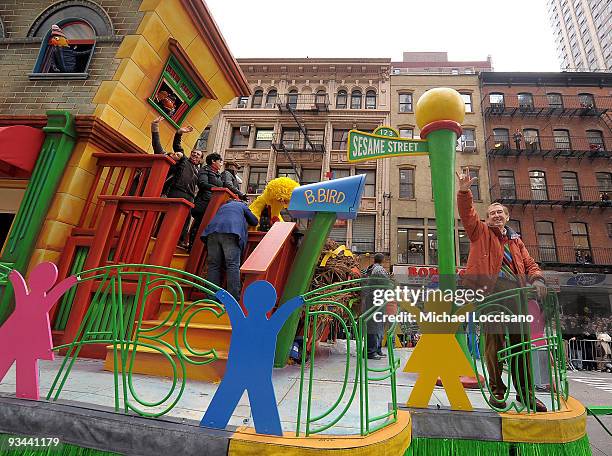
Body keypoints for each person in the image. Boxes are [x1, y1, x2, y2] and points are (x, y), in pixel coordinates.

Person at [457, 168, 548, 412]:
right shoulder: (481, 232)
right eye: (491, 213)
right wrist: (464, 191)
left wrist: (538, 279)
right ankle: (498, 392)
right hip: (492, 295)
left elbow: (529, 264)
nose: (496, 216)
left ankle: (525, 394)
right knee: (494, 345)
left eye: (500, 213)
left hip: (516, 296)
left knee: (520, 345)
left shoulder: (516, 241)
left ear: (507, 217)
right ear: (487, 218)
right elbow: (467, 215)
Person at [151, 116, 202, 246]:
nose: (195, 155)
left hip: (190, 197)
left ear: (200, 159)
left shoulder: (198, 171)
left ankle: (179, 241)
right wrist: (179, 133)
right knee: (167, 216)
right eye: (194, 153)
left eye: (198, 155)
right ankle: (158, 236)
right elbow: (177, 146)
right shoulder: (184, 161)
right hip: (176, 191)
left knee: (184, 220)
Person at [201, 199, 258, 300]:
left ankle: (211, 296)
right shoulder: (241, 205)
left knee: (213, 266)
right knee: (232, 265)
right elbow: (254, 221)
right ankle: (233, 297)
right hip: (231, 232)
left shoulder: (222, 207)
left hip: (211, 233)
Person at [188, 153, 223, 250]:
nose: (221, 164)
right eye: (220, 162)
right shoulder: (205, 170)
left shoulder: (218, 175)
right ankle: (191, 246)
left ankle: (200, 248)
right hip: (203, 202)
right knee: (198, 224)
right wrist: (216, 189)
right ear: (213, 161)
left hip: (213, 203)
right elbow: (202, 183)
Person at [361, 253, 391, 360]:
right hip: (376, 300)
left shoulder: (369, 269)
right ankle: (370, 352)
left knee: (375, 326)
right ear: (382, 260)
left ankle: (376, 349)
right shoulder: (379, 270)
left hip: (370, 300)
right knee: (375, 326)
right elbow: (387, 283)